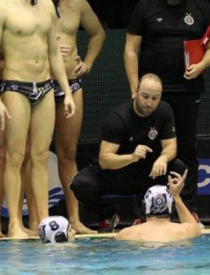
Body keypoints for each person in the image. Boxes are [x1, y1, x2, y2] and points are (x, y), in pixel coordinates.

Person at [0, 0, 76, 239]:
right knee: (15, 156)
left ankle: (43, 222)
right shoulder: (0, 8)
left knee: (39, 156)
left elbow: (53, 53)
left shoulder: (47, 7)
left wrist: (66, 91)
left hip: (45, 87)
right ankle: (13, 224)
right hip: (15, 87)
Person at [124, 0, 210, 220]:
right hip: (151, 96)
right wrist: (135, 88)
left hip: (187, 91)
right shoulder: (145, 6)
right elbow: (131, 49)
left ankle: (188, 210)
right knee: (146, 149)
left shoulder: (201, 6)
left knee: (186, 149)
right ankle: (145, 211)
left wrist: (201, 66)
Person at [70, 73, 187, 232]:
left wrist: (163, 158)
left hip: (148, 173)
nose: (149, 103)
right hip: (118, 173)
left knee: (178, 168)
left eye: (155, 98)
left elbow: (171, 146)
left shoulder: (164, 111)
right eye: (145, 96)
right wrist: (131, 157)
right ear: (136, 92)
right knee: (80, 184)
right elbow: (104, 160)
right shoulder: (118, 118)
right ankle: (107, 214)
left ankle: (156, 217)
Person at [46, 0, 106, 234]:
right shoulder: (33, 5)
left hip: (71, 84)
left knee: (68, 153)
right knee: (34, 155)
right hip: (41, 85)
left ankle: (75, 219)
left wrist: (88, 62)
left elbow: (98, 33)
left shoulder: (77, 2)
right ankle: (36, 218)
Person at [116, 170, 201, 242]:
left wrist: (133, 229)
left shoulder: (126, 234)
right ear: (171, 206)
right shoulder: (185, 231)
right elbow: (196, 230)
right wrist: (176, 197)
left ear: (144, 206)